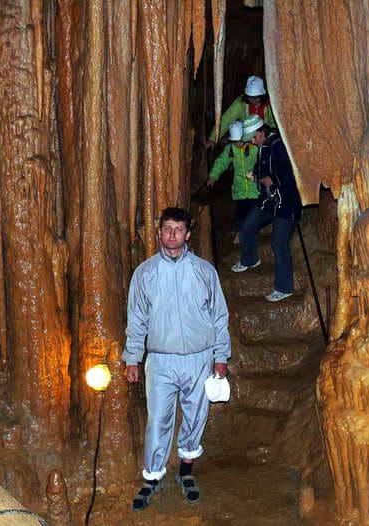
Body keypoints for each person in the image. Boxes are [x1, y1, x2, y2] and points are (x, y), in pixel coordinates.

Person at [123, 207, 231, 511]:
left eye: (178, 229)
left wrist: (220, 355)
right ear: (159, 233)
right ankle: (152, 476)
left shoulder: (203, 271)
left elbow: (219, 316)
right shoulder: (145, 273)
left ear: (187, 234)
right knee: (158, 419)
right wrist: (133, 358)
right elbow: (137, 319)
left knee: (196, 416)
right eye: (167, 229)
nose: (172, 234)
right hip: (160, 360)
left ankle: (186, 471)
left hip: (199, 357)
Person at [231, 114, 302, 302]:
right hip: (269, 199)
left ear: (262, 131)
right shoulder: (263, 145)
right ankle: (250, 259)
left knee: (279, 244)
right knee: (246, 228)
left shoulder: (278, 144)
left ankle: (284, 288)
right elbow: (262, 165)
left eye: (254, 137)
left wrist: (274, 179)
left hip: (287, 202)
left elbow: (291, 169)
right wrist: (256, 174)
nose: (253, 142)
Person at [207, 121, 260, 239]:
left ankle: (251, 232)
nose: (238, 144)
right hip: (240, 188)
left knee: (254, 212)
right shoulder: (231, 149)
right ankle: (239, 231)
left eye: (240, 141)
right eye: (236, 141)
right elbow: (222, 161)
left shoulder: (255, 147)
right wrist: (213, 176)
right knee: (241, 212)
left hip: (255, 188)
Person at [205, 75, 277, 149]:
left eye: (257, 97)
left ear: (262, 95)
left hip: (264, 138)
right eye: (250, 96)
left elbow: (274, 123)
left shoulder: (269, 105)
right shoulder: (240, 104)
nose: (253, 100)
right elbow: (226, 120)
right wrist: (213, 138)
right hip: (246, 141)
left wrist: (269, 134)